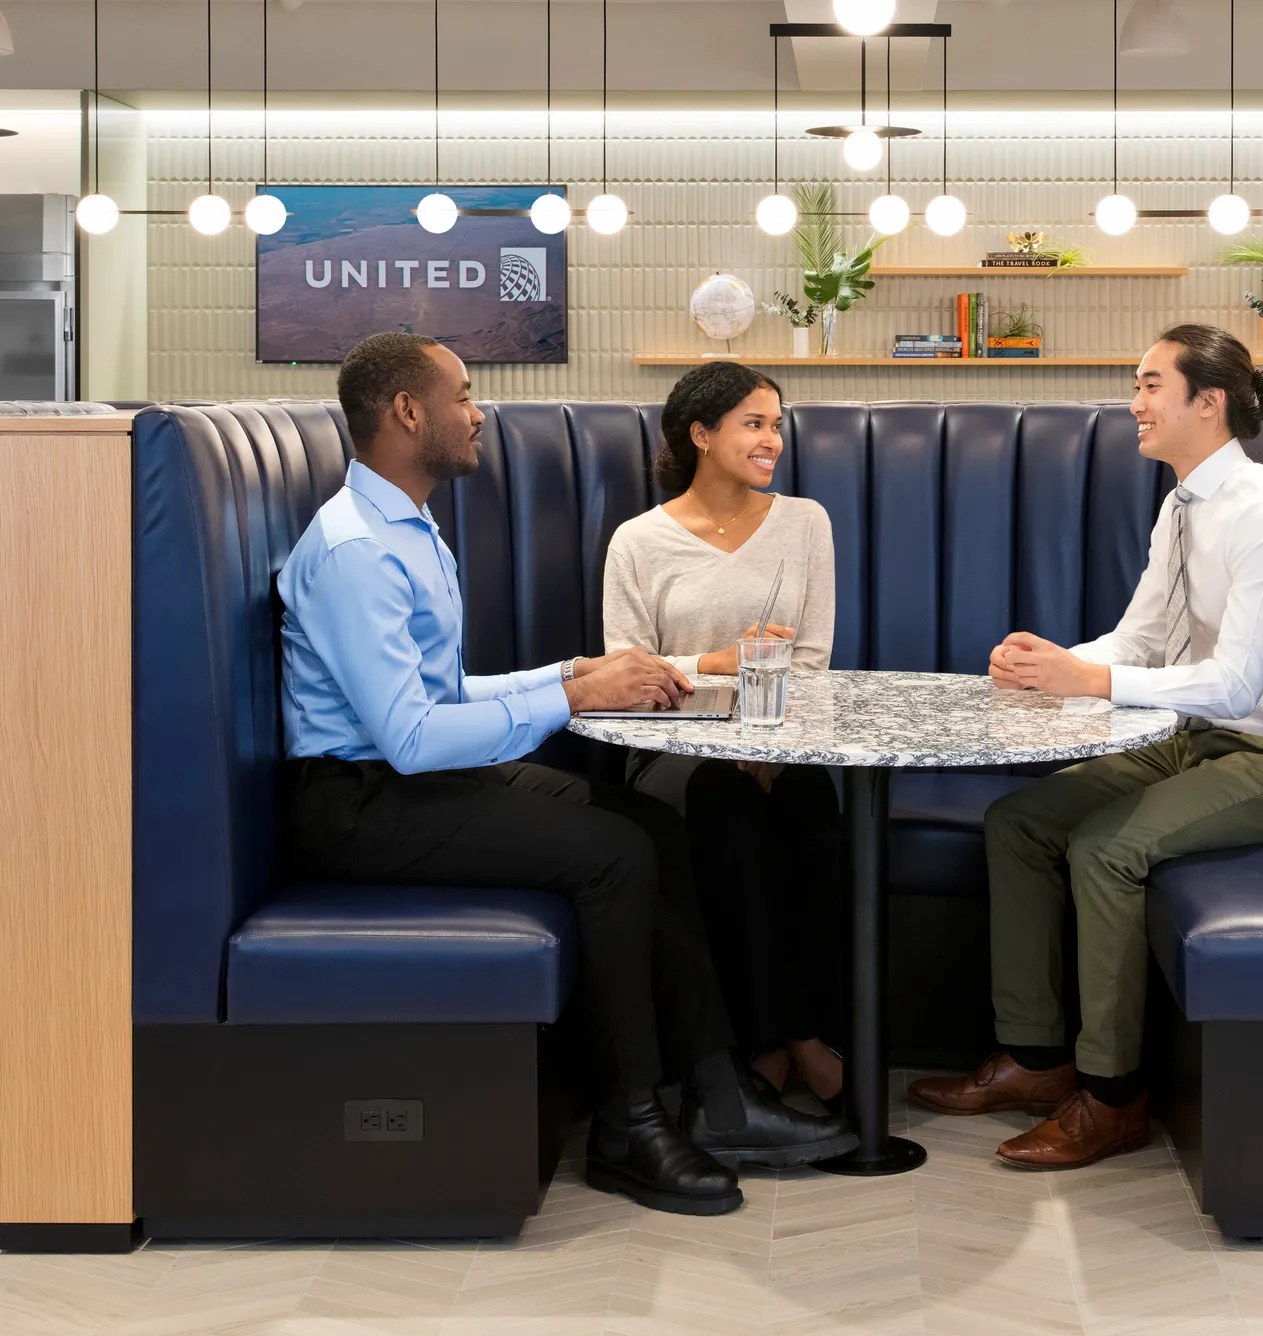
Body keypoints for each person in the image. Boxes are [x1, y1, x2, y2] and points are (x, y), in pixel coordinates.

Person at [279, 333, 854, 1219]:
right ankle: (630, 1124)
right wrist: (570, 699)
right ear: (406, 413)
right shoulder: (358, 547)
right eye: (463, 395)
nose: (478, 414)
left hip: (402, 783)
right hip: (360, 805)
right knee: (615, 853)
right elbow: (412, 738)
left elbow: (438, 691)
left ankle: (720, 1094)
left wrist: (565, 677)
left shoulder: (406, 524)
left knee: (650, 826)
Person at [910, 323, 1263, 1170]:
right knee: (1020, 822)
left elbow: (1232, 684)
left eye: (1152, 384)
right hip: (1200, 742)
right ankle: (1038, 1061)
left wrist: (1089, 686)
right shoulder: (1184, 504)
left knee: (1106, 849)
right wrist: (1051, 663)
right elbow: (1142, 638)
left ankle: (1113, 1097)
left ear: (1209, 402)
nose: (1134, 403)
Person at [603, 360, 846, 1109]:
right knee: (724, 802)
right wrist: (714, 665)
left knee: (815, 807)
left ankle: (789, 1037)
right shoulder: (637, 543)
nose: (773, 439)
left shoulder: (806, 522)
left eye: (777, 424)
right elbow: (624, 673)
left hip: (778, 743)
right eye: (754, 423)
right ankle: (792, 1041)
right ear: (701, 434)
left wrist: (762, 745)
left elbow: (809, 660)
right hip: (675, 752)